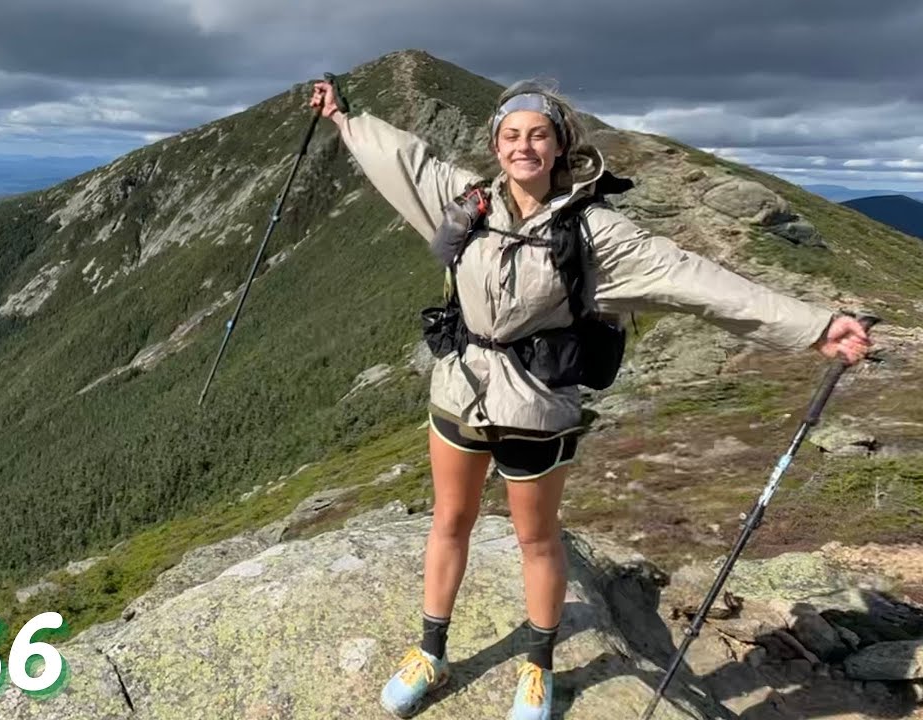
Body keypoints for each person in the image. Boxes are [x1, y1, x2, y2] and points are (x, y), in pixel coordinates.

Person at [308, 78, 872, 720]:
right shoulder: (466, 202)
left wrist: (813, 327)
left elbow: (694, 279)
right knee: (449, 522)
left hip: (536, 404)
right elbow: (402, 159)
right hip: (460, 391)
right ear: (496, 145)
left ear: (559, 146)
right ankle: (430, 652)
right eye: (511, 135)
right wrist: (343, 118)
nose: (524, 146)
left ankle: (539, 667)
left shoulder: (594, 230)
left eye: (538, 135)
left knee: (537, 540)